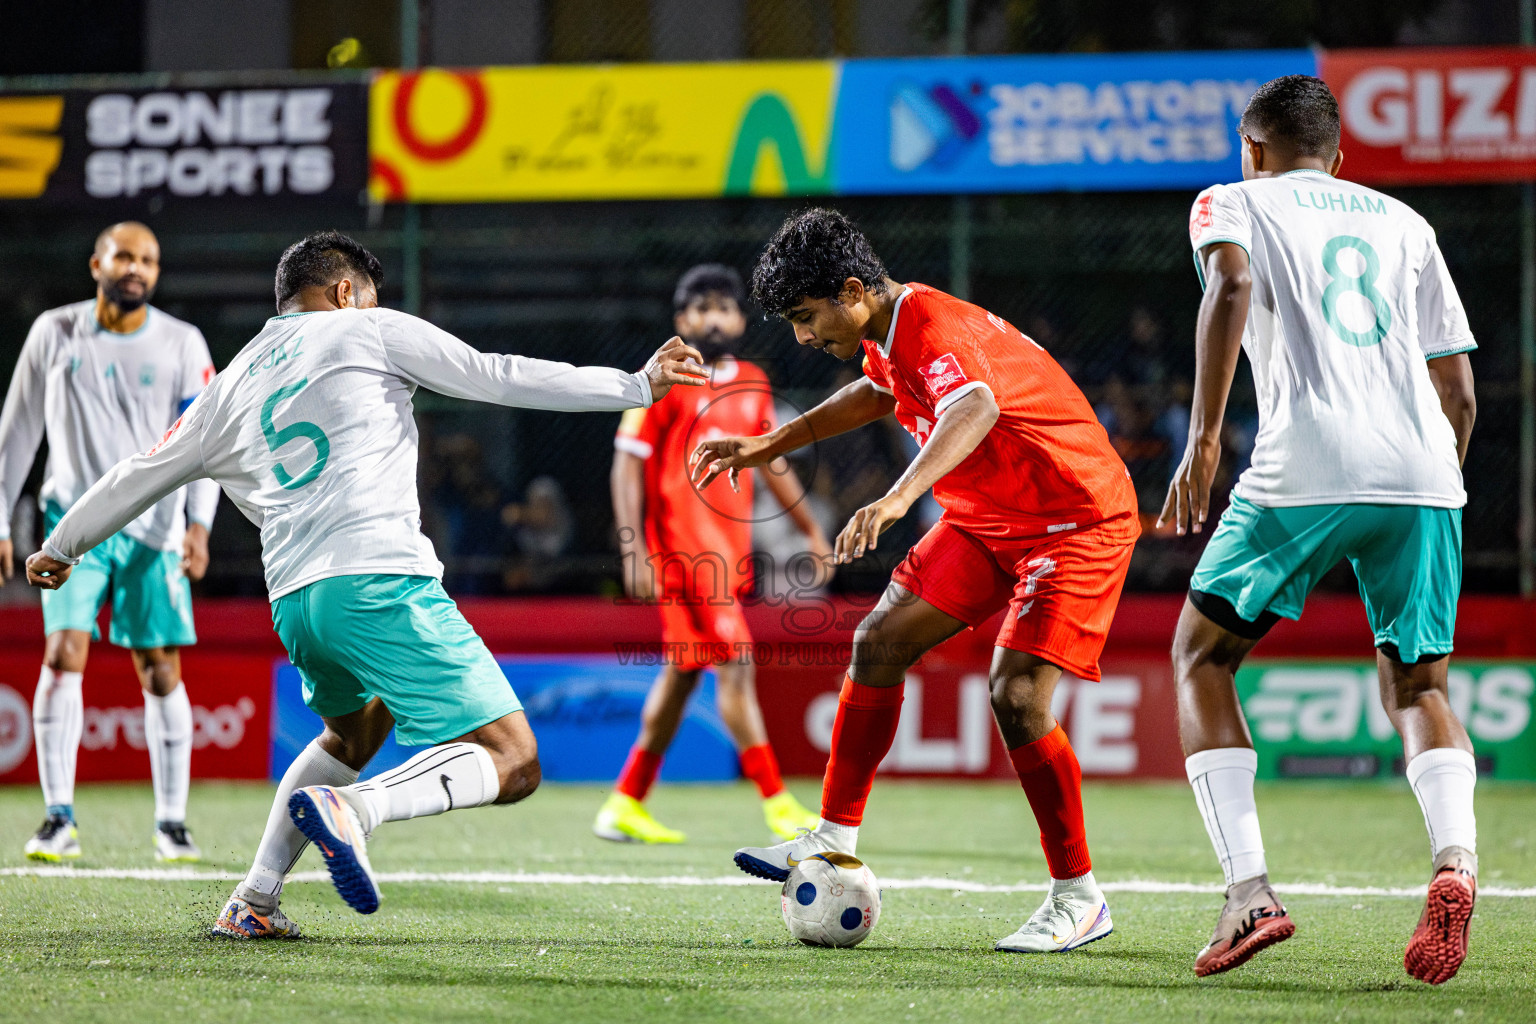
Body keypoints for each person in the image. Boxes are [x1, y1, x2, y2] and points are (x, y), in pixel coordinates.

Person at [24, 230, 706, 939]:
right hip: (378, 578)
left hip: (294, 603)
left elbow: (138, 472)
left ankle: (253, 900)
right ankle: (359, 813)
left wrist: (61, 544)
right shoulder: (366, 328)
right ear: (345, 291)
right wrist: (635, 386)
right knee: (515, 759)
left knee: (356, 728)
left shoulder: (224, 387)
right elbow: (495, 373)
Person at [690, 209, 1140, 954]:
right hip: (989, 516)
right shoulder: (888, 334)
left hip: (1073, 518)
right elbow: (876, 394)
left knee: (1017, 694)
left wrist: (898, 499)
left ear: (853, 289)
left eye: (806, 318)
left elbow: (974, 405)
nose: (802, 337)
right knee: (879, 642)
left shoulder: (932, 326)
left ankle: (1078, 896)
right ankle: (831, 841)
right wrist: (774, 441)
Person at [1162, 75, 1480, 984]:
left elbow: (1227, 286)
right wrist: (1430, 482)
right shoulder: (1405, 222)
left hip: (1301, 464)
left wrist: (1206, 437)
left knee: (1201, 656)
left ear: (1250, 147)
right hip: (1424, 471)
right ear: (1340, 157)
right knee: (1419, 687)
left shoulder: (1232, 200)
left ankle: (1249, 893)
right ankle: (1454, 865)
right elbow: (1457, 390)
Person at [0, 222, 218, 863]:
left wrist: (199, 525)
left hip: (154, 525)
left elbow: (204, 442)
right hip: (72, 522)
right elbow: (17, 434)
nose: (137, 268)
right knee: (63, 653)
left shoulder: (182, 342)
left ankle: (172, 824)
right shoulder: (54, 332)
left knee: (160, 669)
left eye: (149, 259)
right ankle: (57, 818)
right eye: (125, 255)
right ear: (96, 261)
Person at [595, 264, 830, 845]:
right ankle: (777, 803)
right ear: (681, 321)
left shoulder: (752, 380)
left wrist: (809, 528)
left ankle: (625, 801)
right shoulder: (664, 380)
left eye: (724, 306)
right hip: (682, 556)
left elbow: (771, 460)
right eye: (700, 307)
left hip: (727, 558)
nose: (713, 317)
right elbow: (628, 463)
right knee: (736, 664)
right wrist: (634, 550)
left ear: (742, 319)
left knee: (681, 677)